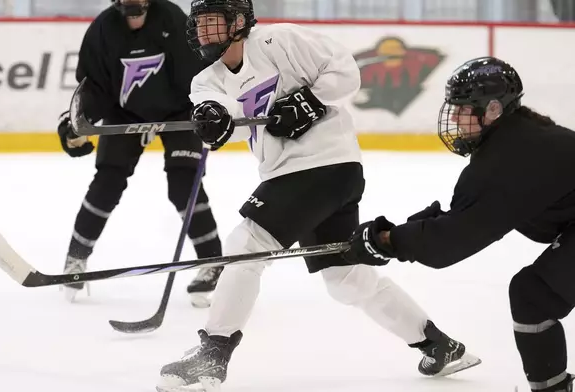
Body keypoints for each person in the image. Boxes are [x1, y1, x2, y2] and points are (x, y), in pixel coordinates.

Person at [155, 1, 480, 390]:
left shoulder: (280, 40)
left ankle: (213, 355)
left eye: (212, 23)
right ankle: (440, 346)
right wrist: (214, 121)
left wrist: (309, 100)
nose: (203, 32)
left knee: (247, 244)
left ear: (239, 22)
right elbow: (232, 121)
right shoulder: (205, 80)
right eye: (199, 24)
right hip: (306, 176)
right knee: (347, 279)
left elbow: (345, 71)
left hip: (324, 164)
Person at [343, 56, 575, 392]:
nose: (453, 117)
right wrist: (396, 234)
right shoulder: (518, 137)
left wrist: (387, 241)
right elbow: (467, 216)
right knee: (533, 294)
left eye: (462, 109)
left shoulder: (508, 160)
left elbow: (451, 242)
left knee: (533, 296)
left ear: (492, 109)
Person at [56, 0, 224, 305]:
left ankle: (213, 262)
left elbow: (197, 75)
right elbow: (93, 87)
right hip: (126, 113)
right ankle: (75, 258)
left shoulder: (171, 19)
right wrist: (77, 122)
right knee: (107, 182)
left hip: (179, 111)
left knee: (184, 186)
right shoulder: (103, 30)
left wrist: (208, 107)